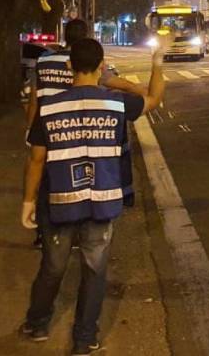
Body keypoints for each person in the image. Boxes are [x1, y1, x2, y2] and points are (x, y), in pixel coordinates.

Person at [19, 37, 166, 355]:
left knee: (53, 267)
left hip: (59, 201)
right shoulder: (115, 102)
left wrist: (28, 201)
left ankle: (38, 323)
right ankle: (84, 339)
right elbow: (153, 99)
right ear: (101, 68)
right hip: (102, 200)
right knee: (94, 269)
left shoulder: (51, 106)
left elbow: (37, 159)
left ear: (70, 66)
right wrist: (157, 61)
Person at [24, 19, 145, 248]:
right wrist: (139, 89)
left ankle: (45, 233)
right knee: (80, 181)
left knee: (46, 180)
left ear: (65, 35)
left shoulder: (44, 61)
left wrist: (31, 128)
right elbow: (110, 81)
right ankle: (80, 234)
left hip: (47, 125)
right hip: (74, 127)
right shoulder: (88, 61)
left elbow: (34, 99)